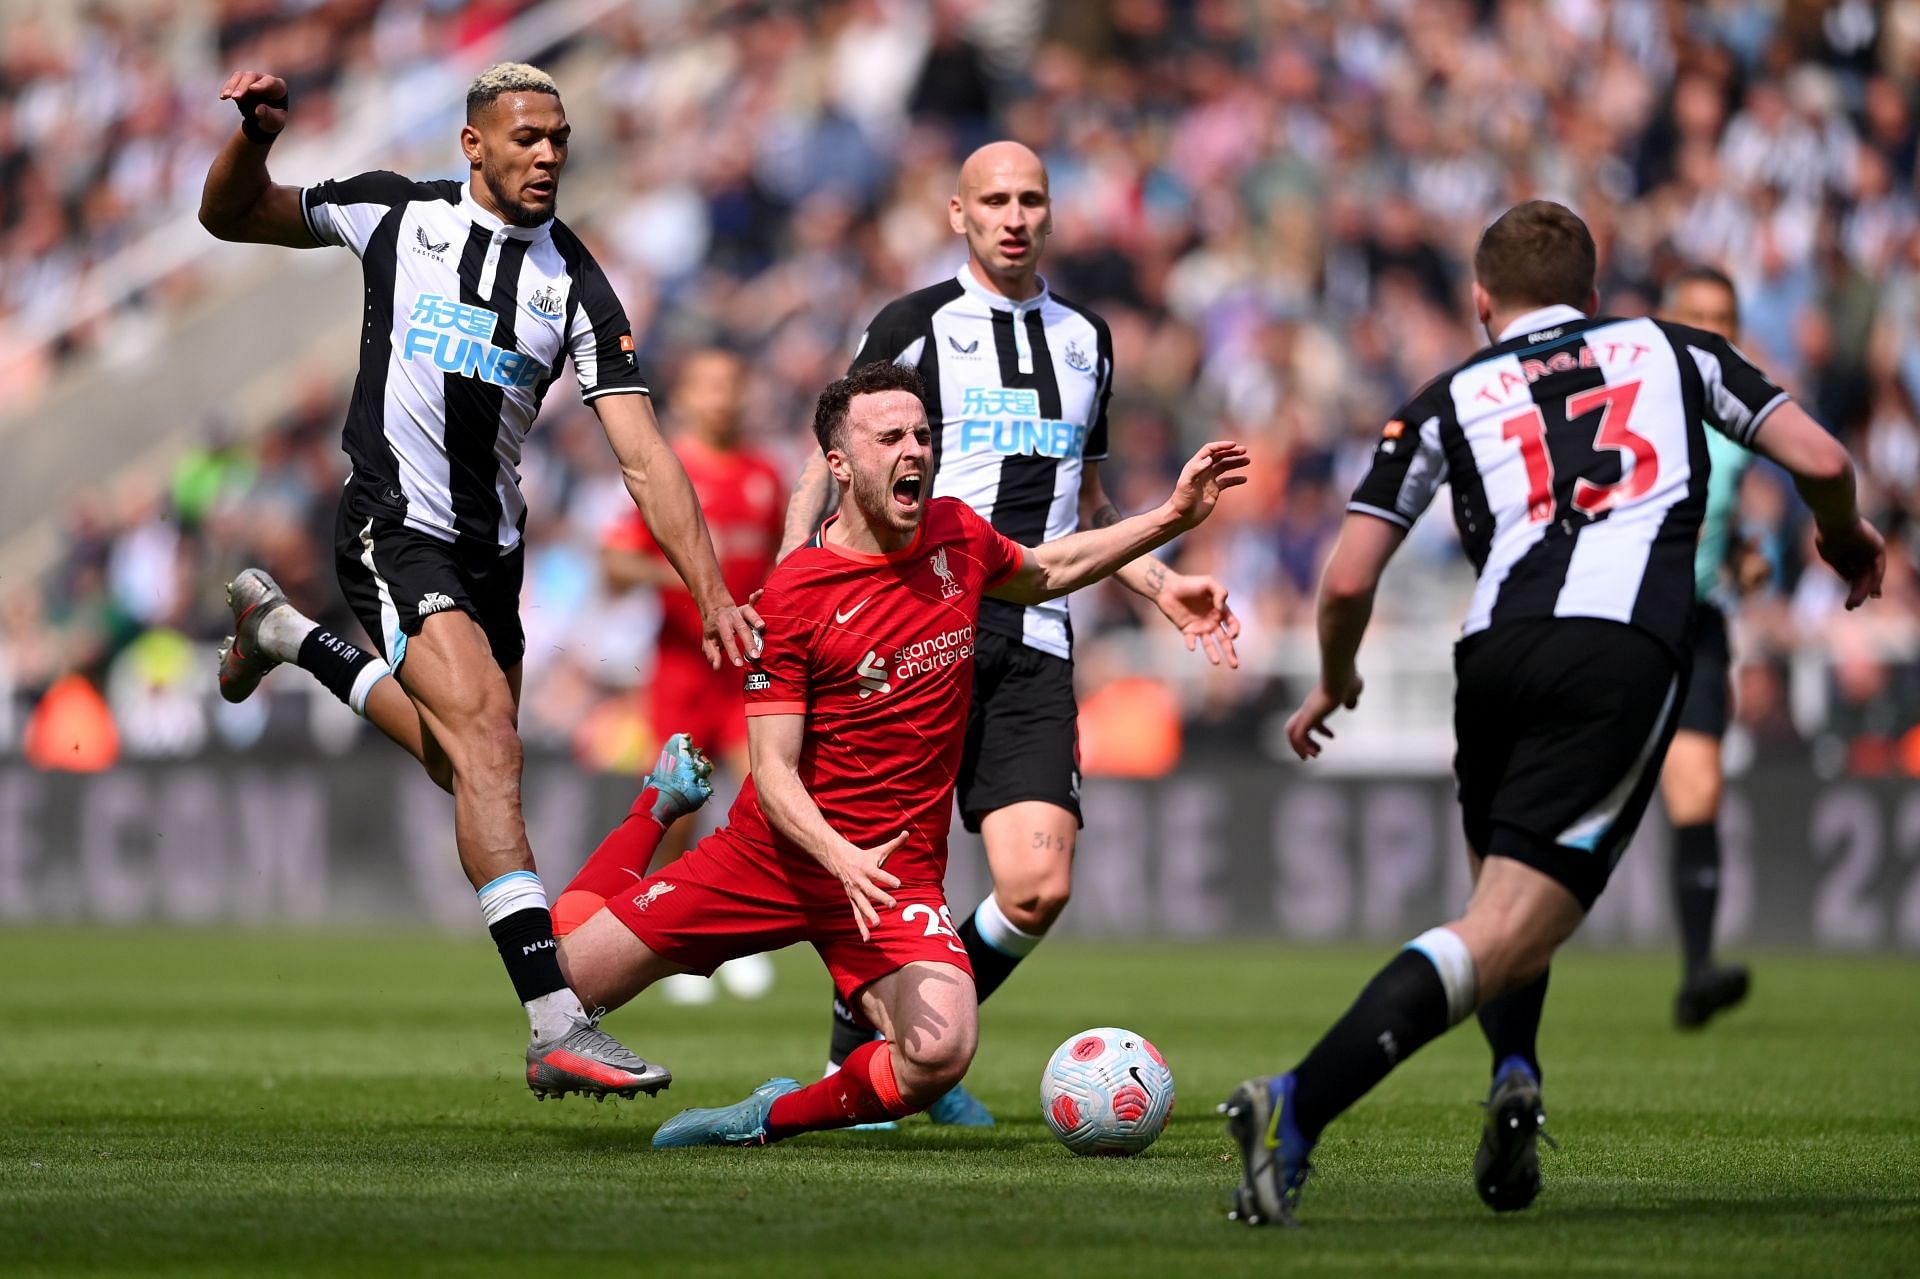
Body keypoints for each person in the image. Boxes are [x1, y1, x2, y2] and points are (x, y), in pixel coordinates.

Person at [1223, 201, 1884, 1227]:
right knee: (1500, 926)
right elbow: (1827, 463)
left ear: (1482, 300)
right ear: (1595, 280)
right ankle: (1295, 1105)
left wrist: (1334, 677)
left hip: (1493, 654)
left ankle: (1515, 1070)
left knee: (1503, 888)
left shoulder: (1451, 391)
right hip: (1616, 651)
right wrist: (1842, 537)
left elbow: (1348, 576)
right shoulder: (1672, 348)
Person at [197, 64, 761, 1100]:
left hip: (491, 557)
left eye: (560, 140)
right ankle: (556, 1024)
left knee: (464, 770)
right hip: (391, 528)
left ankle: (283, 635)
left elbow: (645, 457)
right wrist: (255, 140)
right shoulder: (392, 216)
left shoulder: (577, 283)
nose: (548, 156)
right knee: (493, 743)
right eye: (527, 139)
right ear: (474, 146)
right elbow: (229, 215)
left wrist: (713, 589)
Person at [553, 360, 1247, 1146]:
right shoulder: (796, 593)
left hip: (892, 871)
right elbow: (773, 772)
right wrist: (837, 855)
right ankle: (654, 811)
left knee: (941, 1050)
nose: (913, 449)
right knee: (555, 987)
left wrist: (1172, 519)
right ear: (840, 464)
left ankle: (762, 1119)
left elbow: (1050, 568)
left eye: (922, 434)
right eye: (890, 437)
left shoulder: (956, 532)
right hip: (775, 854)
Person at [779, 141, 1240, 1125]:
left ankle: (891, 1039)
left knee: (1037, 886)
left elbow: (1091, 502)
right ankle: (892, 1053)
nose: (1015, 215)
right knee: (889, 868)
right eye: (995, 200)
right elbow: (831, 452)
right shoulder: (913, 324)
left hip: (1035, 629)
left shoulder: (1089, 341)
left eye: (1032, 198)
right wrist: (795, 563)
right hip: (916, 630)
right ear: (959, 213)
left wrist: (1158, 582)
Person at [597, 347, 785, 1003]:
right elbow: (614, 566)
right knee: (677, 811)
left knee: (765, 795)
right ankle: (668, 928)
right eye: (708, 384)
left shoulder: (766, 474)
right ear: (686, 394)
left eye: (731, 383)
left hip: (748, 668)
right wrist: (696, 584)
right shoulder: (666, 470)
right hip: (683, 666)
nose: (721, 397)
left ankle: (732, 938)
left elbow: (783, 564)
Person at [1656, 266, 1762, 1029]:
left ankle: (1697, 973)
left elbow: (1727, 528)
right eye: (1696, 315)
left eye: (1722, 317)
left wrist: (1749, 557)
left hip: (1698, 619)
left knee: (1698, 793)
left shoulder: (1740, 421)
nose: (1710, 329)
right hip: (1624, 618)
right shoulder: (1638, 405)